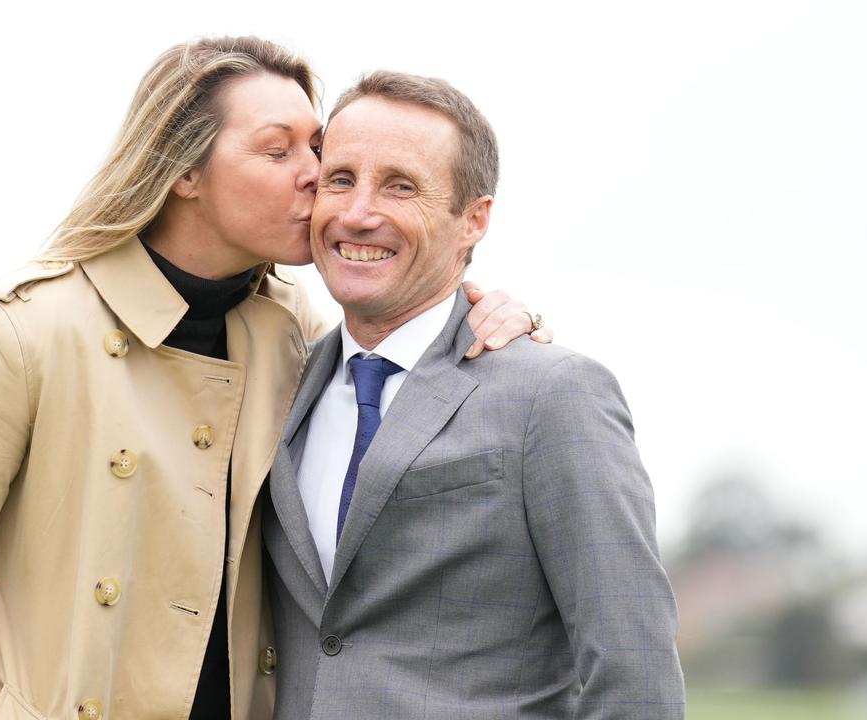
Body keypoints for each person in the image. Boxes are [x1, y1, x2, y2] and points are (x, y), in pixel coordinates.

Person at [0, 38, 544, 720]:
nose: (316, 173)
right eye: (279, 151)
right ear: (185, 170)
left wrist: (486, 314)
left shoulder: (295, 336)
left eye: (316, 147)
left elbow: (409, 367)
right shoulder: (23, 330)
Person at [260, 71, 685, 718]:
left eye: (400, 186)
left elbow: (635, 676)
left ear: (473, 220)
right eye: (340, 179)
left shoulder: (552, 395)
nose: (357, 213)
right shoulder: (278, 385)